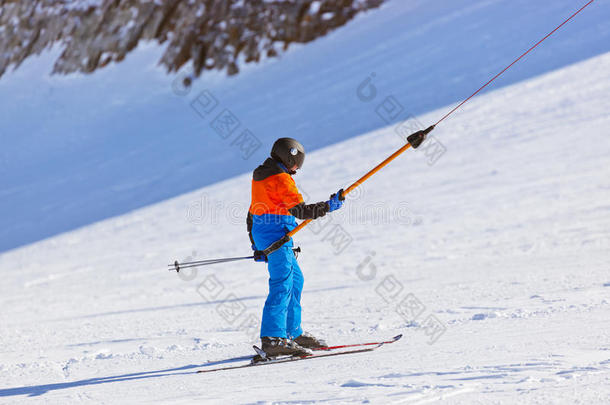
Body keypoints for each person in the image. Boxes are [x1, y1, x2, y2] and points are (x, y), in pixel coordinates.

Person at [247, 138, 345, 357]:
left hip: (268, 233)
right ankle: (273, 338)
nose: (297, 168)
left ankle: (291, 332)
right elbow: (300, 212)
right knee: (282, 283)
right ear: (288, 157)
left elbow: (252, 210)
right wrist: (329, 206)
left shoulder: (262, 175)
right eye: (296, 164)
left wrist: (256, 243)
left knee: (295, 280)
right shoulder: (281, 179)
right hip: (276, 235)